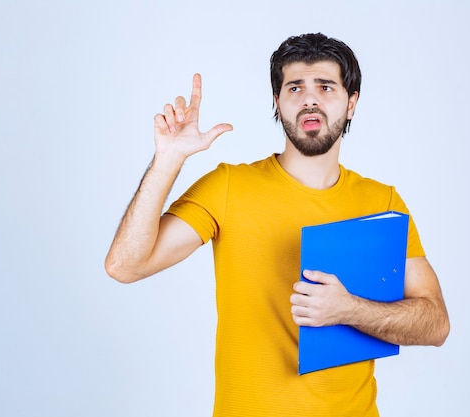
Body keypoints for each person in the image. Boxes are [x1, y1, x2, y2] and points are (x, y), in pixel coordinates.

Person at [105, 33, 450, 417]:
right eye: (294, 87)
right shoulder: (229, 188)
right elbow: (124, 265)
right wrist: (167, 160)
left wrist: (349, 309)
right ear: (277, 102)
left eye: (325, 86)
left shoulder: (382, 202)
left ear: (351, 104)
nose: (309, 99)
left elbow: (435, 323)